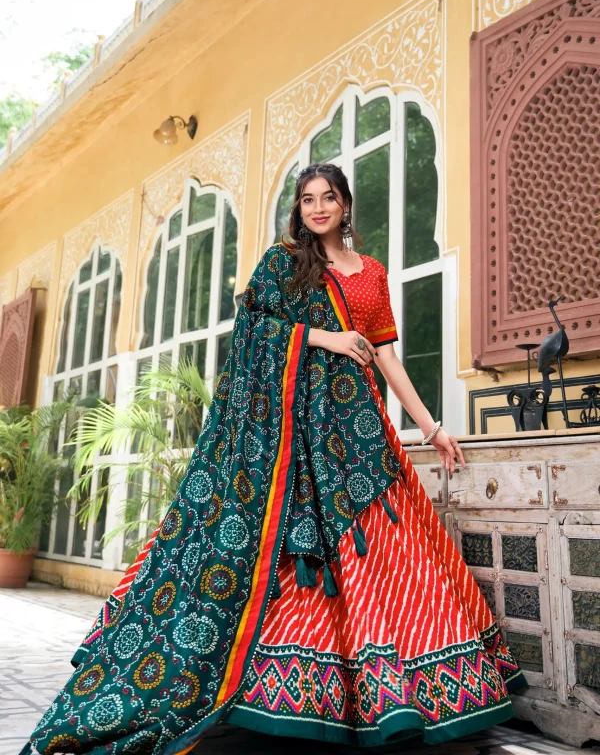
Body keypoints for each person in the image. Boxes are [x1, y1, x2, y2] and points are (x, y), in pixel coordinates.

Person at [22, 163, 525, 755]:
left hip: (360, 434)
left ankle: (392, 693)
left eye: (328, 198)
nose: (318, 208)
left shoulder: (373, 275)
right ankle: (275, 691)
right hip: (294, 437)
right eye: (308, 199)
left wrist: (432, 427)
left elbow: (389, 359)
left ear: (345, 205)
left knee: (382, 553)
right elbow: (252, 332)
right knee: (294, 556)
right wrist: (325, 339)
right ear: (300, 209)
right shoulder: (285, 263)